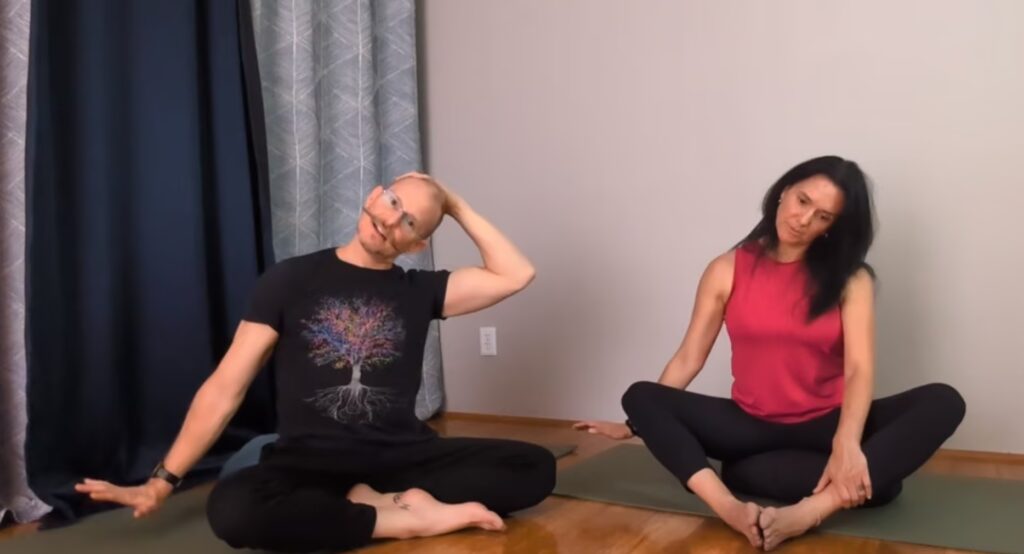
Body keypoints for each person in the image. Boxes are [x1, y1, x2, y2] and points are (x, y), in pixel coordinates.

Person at [77, 173, 556, 553]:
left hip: (402, 457)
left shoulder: (422, 291)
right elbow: (226, 387)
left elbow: (516, 273)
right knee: (233, 510)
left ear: (416, 245)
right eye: (392, 202)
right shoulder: (289, 280)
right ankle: (396, 519)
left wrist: (453, 202)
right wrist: (161, 482)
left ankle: (371, 502)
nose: (391, 220)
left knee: (534, 468)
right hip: (310, 461)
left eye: (410, 222)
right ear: (373, 196)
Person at [574, 156, 965, 551]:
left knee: (944, 401)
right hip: (748, 426)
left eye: (823, 216)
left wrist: (846, 444)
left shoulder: (852, 278)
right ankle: (729, 507)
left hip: (827, 424)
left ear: (833, 226)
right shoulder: (726, 269)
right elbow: (690, 357)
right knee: (641, 395)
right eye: (802, 200)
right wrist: (635, 424)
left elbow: (858, 370)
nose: (803, 219)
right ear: (784, 191)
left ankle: (811, 510)